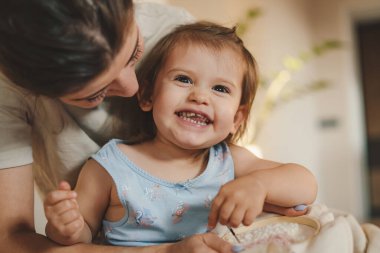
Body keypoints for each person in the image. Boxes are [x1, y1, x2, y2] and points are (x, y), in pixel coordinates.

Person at [0, 1, 309, 252]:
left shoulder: (225, 159)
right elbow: (75, 238)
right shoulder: (107, 168)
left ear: (237, 119)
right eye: (184, 80)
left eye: (220, 89)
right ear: (149, 96)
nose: (200, 96)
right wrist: (65, 226)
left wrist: (259, 186)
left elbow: (304, 184)